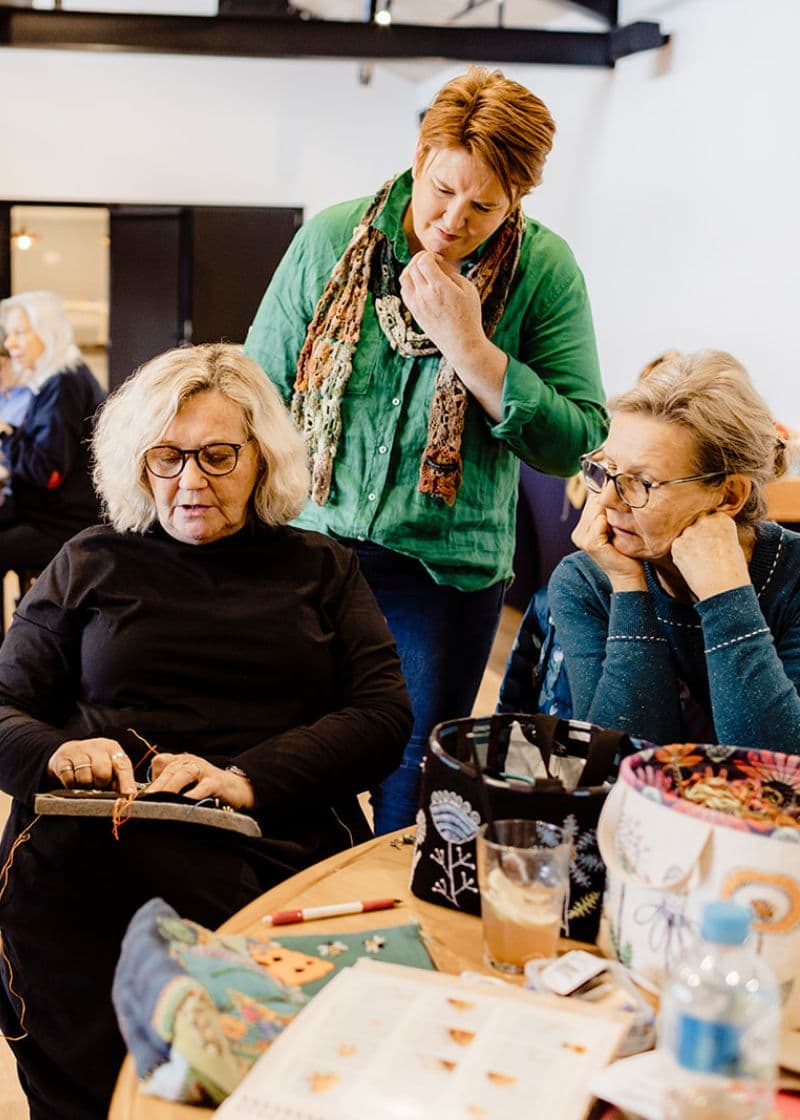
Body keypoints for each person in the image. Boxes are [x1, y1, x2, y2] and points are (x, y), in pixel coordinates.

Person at [0, 343, 412, 1120]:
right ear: (138, 461)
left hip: (268, 837)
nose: (191, 483)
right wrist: (57, 751)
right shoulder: (91, 560)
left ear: (263, 458)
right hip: (94, 848)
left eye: (219, 456)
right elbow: (3, 705)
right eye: (167, 457)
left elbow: (383, 716)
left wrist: (249, 775)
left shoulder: (322, 569)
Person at [244, 66, 607, 832]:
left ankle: (393, 941)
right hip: (310, 550)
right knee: (297, 757)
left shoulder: (544, 270)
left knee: (416, 776)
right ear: (420, 158)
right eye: (443, 189)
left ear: (519, 198)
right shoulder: (330, 240)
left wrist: (471, 348)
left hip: (444, 571)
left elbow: (576, 439)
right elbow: (258, 395)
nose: (452, 219)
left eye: (484, 206)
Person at [548, 349, 800, 749]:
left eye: (641, 482)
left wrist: (726, 600)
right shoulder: (587, 580)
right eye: (605, 470)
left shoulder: (792, 578)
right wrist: (628, 587)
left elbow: (778, 773)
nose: (608, 501)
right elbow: (621, 761)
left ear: (728, 495)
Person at [0, 290, 105, 567]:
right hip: (45, 514)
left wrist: (5, 434)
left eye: (20, 333)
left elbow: (48, 472)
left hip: (62, 524)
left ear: (47, 332)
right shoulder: (55, 379)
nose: (10, 344)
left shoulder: (62, 383)